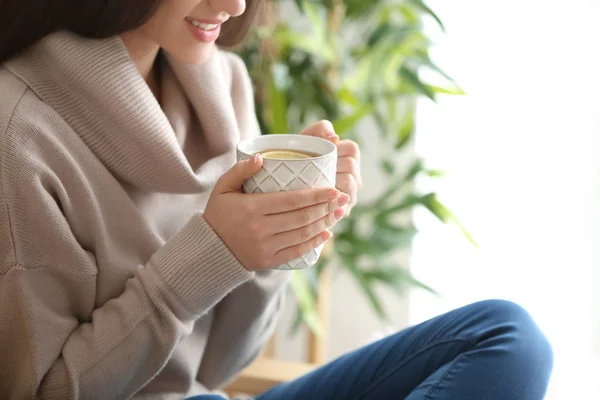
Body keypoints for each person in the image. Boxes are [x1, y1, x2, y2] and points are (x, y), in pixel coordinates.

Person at [0, 0, 553, 399]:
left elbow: (218, 367)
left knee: (509, 338)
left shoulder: (224, 86)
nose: (235, 4)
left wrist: (289, 235)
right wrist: (208, 255)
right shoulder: (19, 134)